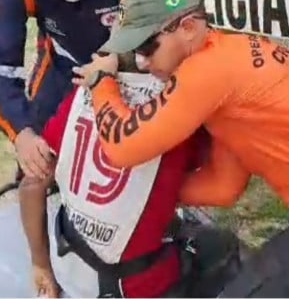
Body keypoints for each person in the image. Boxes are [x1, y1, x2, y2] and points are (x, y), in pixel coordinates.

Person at [70, 0, 289, 298]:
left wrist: (102, 84)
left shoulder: (206, 73)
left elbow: (123, 147)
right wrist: (151, 197)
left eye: (147, 47)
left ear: (187, 28)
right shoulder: (228, 60)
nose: (143, 64)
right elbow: (224, 186)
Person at [18, 54, 237, 298]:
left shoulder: (81, 95)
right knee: (220, 247)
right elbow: (221, 182)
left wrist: (40, 265)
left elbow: (31, 186)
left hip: (68, 269)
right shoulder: (182, 114)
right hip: (137, 286)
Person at [0, 0, 148, 179]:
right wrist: (21, 133)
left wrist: (118, 60)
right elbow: (2, 70)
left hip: (120, 63)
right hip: (61, 61)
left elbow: (162, 32)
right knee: (37, 154)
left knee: (134, 147)